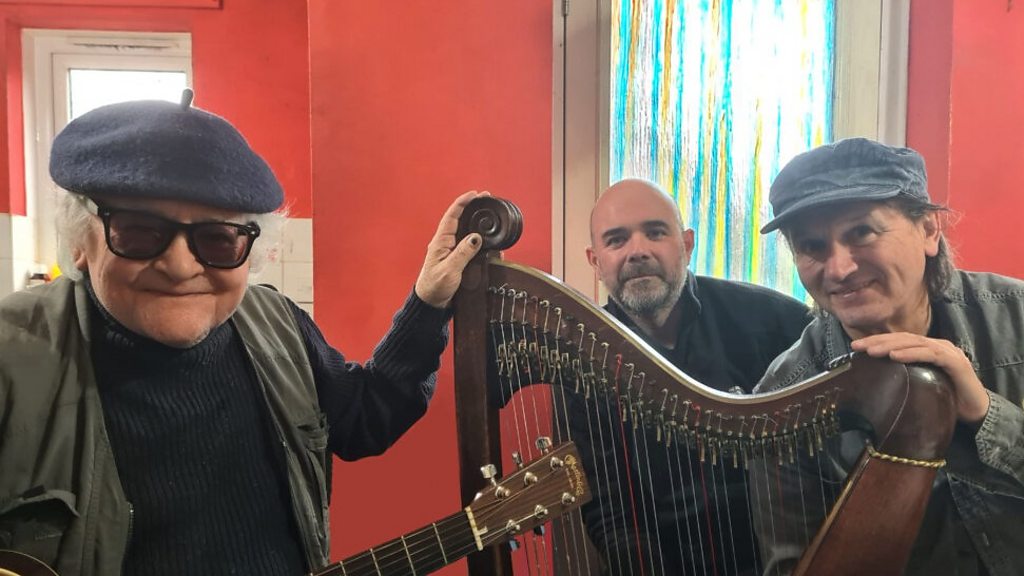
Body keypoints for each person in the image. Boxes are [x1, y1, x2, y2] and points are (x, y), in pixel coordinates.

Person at [0, 94, 485, 576]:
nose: (179, 266)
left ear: (250, 251)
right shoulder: (11, 360)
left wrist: (428, 302)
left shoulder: (278, 325)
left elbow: (365, 419)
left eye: (217, 238)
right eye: (139, 231)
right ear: (80, 241)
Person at [752, 137, 1024, 576]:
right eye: (812, 246)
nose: (839, 269)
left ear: (929, 230)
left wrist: (986, 413)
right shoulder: (786, 395)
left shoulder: (1017, 319)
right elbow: (792, 562)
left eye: (862, 232)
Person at [572, 178, 810, 575]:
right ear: (595, 261)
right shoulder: (584, 356)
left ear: (686, 244)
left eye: (655, 232)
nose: (638, 251)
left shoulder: (771, 320)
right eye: (616, 240)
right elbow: (609, 510)